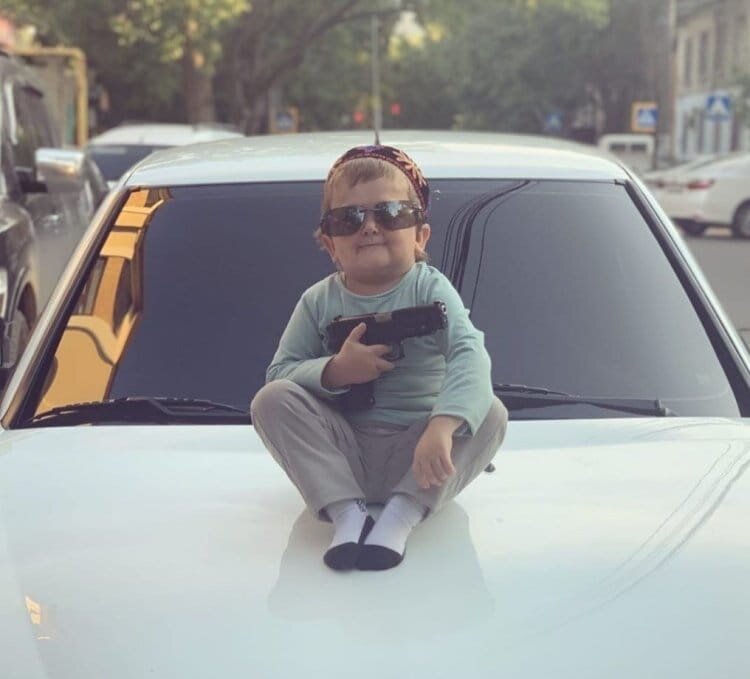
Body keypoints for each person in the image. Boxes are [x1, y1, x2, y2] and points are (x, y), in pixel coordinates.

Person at [250, 144, 507, 572]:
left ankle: (401, 516)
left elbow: (469, 352)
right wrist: (336, 371)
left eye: (390, 214)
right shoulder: (317, 301)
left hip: (422, 454)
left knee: (492, 413)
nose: (369, 227)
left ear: (420, 236)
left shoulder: (429, 288)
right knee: (271, 400)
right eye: (349, 219)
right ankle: (346, 515)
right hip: (341, 454)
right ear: (330, 244)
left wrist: (443, 426)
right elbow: (279, 373)